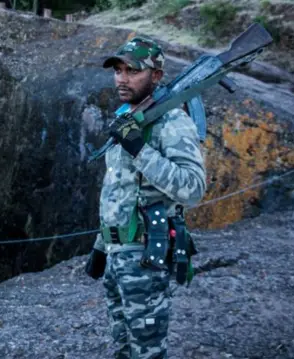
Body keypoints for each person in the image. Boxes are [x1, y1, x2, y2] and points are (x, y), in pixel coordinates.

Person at [84, 36, 207, 359]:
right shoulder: (128, 117)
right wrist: (101, 246)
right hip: (118, 253)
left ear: (156, 75)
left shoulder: (172, 122)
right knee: (123, 348)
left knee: (147, 351)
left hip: (145, 257)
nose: (122, 79)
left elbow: (193, 188)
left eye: (133, 71)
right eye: (118, 70)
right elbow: (119, 190)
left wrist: (140, 150)